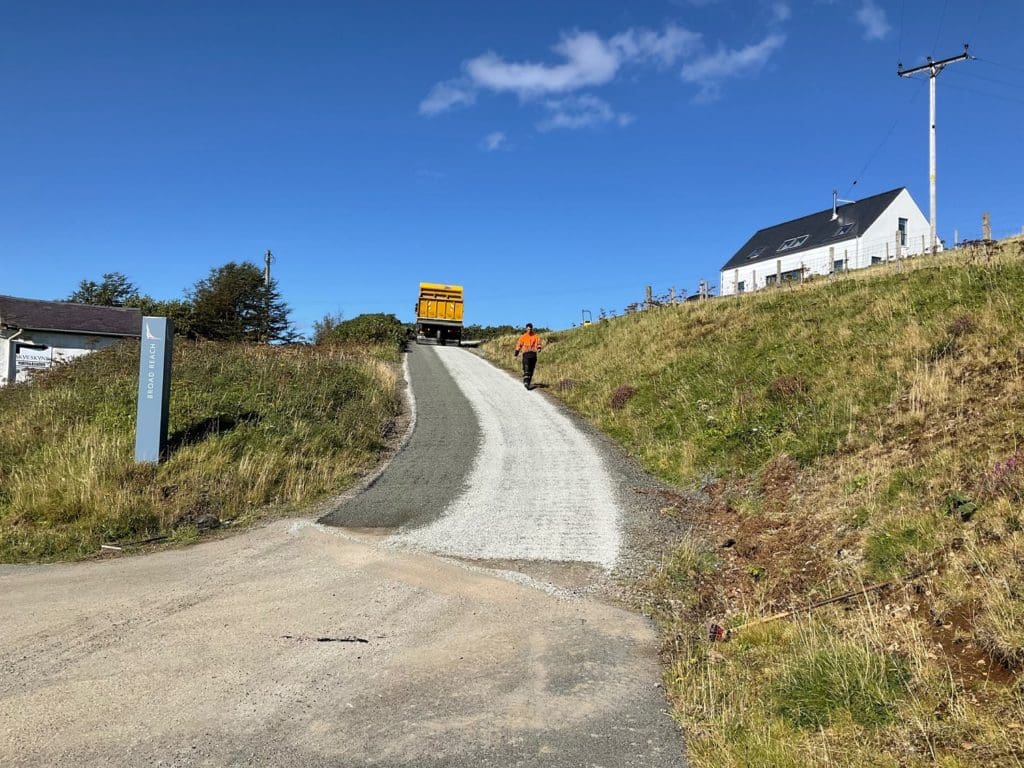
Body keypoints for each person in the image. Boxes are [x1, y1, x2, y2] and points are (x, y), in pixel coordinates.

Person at [514, 323, 543, 389]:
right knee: (526, 368)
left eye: (530, 329)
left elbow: (538, 343)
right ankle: (526, 382)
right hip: (526, 354)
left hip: (533, 354)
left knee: (531, 370)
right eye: (528, 329)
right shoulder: (523, 337)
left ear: (532, 329)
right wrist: (516, 354)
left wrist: (539, 348)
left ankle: (528, 383)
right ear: (526, 329)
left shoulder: (536, 336)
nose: (529, 330)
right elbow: (519, 345)